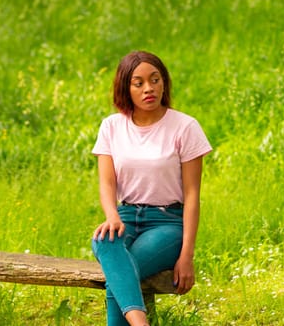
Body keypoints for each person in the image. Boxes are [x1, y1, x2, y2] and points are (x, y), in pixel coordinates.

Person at [91, 51, 212, 326]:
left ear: (164, 83)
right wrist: (112, 216)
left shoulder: (185, 127)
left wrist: (187, 256)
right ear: (126, 88)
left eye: (155, 80)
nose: (149, 88)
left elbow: (193, 195)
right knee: (103, 241)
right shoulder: (111, 127)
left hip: (167, 223)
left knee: (120, 276)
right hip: (126, 217)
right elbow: (107, 182)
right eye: (139, 83)